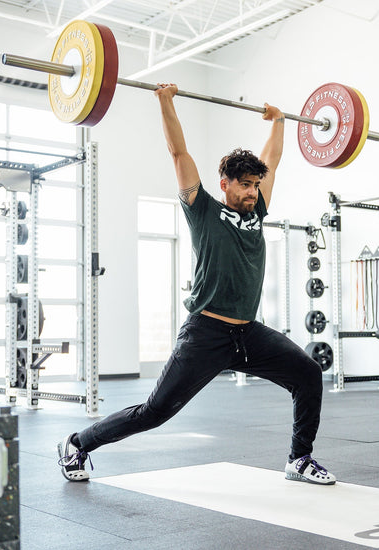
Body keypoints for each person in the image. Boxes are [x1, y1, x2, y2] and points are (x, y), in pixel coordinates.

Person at [57, 83, 336, 486]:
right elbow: (178, 153)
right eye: (245, 185)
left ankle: (300, 458)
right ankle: (77, 443)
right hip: (206, 333)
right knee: (155, 412)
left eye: (256, 185)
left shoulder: (257, 213)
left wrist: (278, 122)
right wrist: (166, 101)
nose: (252, 192)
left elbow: (273, 158)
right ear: (224, 183)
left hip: (248, 334)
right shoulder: (202, 209)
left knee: (307, 373)